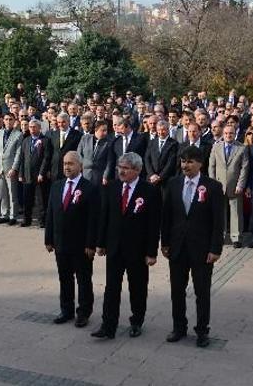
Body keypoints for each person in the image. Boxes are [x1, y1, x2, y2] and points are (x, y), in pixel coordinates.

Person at [91, 152, 161, 340]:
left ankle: (137, 320)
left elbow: (153, 224)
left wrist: (151, 252)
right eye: (119, 167)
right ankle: (108, 325)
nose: (121, 171)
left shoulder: (149, 191)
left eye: (125, 168)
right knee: (111, 288)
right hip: (114, 247)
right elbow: (104, 216)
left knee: (137, 287)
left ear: (137, 170)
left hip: (137, 250)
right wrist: (100, 243)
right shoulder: (112, 187)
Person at [161, 146, 224, 348]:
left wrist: (215, 249)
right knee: (177, 290)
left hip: (202, 249)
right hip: (178, 247)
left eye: (190, 161)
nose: (185, 165)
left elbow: (218, 221)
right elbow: (167, 216)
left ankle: (202, 330)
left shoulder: (212, 187)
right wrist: (165, 243)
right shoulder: (173, 183)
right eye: (183, 161)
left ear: (200, 164)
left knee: (201, 292)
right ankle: (179, 327)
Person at [44, 151, 98, 328]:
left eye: (71, 164)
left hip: (81, 245)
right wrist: (49, 238)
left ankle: (83, 312)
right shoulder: (57, 186)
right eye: (65, 163)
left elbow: (92, 219)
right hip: (61, 242)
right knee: (64, 277)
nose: (67, 167)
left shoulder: (89, 188)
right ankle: (66, 309)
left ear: (80, 166)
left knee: (83, 279)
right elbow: (51, 214)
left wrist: (91, 244)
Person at [209, 125, 250, 248]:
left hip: (235, 185)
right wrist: (212, 184)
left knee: (236, 212)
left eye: (231, 133)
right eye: (226, 133)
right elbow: (211, 166)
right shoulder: (216, 147)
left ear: (235, 133)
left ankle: (236, 237)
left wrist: (240, 185)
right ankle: (220, 236)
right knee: (220, 213)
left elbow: (244, 168)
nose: (228, 135)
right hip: (219, 185)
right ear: (223, 134)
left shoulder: (242, 148)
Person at [14, 119, 52, 228]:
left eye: (34, 127)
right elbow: (22, 157)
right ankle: (27, 220)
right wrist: (20, 174)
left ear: (39, 128)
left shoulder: (45, 140)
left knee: (41, 200)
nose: (32, 129)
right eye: (30, 127)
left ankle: (42, 221)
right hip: (27, 175)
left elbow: (46, 158)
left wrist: (42, 173)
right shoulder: (26, 140)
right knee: (27, 199)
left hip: (40, 175)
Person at [0, 112, 23, 225]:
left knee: (12, 193)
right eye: (6, 119)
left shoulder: (18, 134)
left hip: (10, 169)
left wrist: (14, 168)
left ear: (14, 121)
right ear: (3, 121)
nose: (8, 121)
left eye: (10, 119)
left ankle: (13, 216)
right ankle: (4, 214)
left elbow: (18, 153)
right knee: (2, 193)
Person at [145, 120, 179, 192]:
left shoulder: (173, 144)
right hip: (151, 180)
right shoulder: (152, 142)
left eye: (163, 130)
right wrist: (152, 175)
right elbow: (147, 159)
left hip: (165, 181)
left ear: (168, 130)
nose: (161, 132)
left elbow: (171, 162)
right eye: (159, 130)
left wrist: (160, 177)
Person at [77, 120, 113, 187]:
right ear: (96, 130)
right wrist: (81, 168)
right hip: (84, 174)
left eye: (106, 130)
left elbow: (109, 161)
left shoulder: (108, 143)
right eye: (103, 130)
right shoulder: (85, 138)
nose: (105, 132)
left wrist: (105, 176)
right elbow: (79, 153)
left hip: (98, 175)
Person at [49, 113, 83, 181]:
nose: (61, 124)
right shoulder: (52, 134)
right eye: (59, 122)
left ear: (69, 122)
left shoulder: (78, 135)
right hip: (54, 171)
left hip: (70, 170)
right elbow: (50, 153)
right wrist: (48, 169)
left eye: (63, 122)